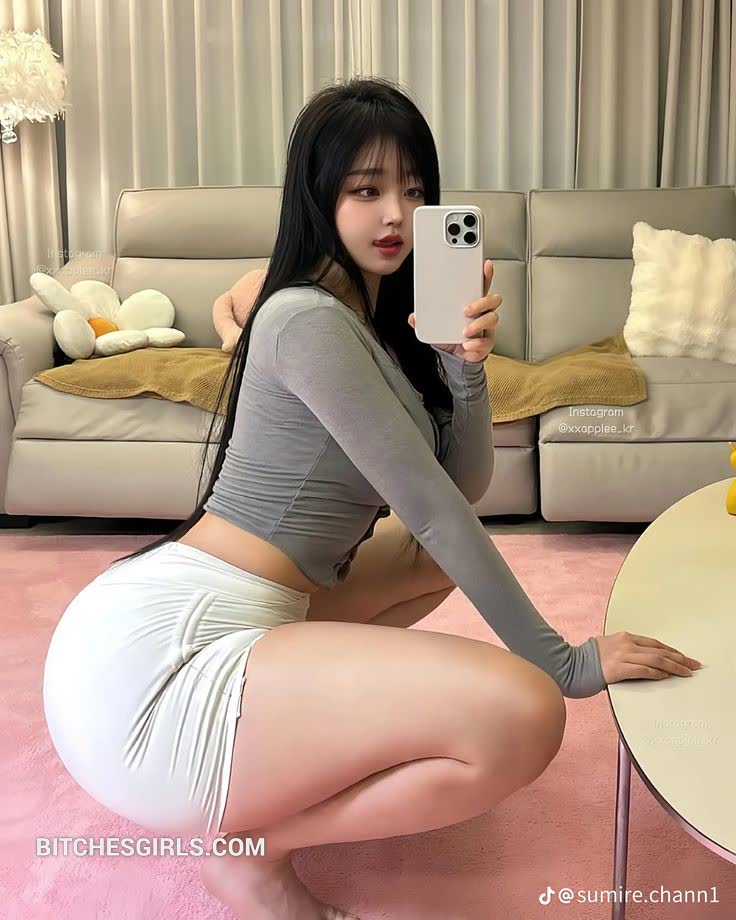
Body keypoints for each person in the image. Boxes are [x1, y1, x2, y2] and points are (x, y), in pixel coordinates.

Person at [42, 76, 702, 920]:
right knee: (528, 711)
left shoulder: (361, 324)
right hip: (156, 675)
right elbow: (435, 509)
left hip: (230, 614)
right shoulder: (308, 319)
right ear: (319, 198)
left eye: (413, 190)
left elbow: (459, 485)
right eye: (365, 190)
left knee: (432, 563)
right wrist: (566, 663)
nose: (395, 214)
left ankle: (282, 770)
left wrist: (465, 368)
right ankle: (253, 854)